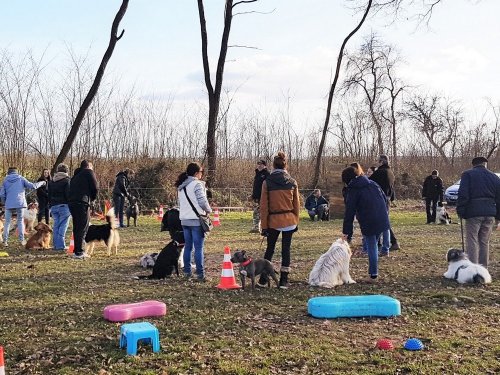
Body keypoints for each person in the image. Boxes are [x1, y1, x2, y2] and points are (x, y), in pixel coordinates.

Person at [258, 151, 300, 289]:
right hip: (289, 220)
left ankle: (264, 279)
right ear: (285, 166)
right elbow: (296, 205)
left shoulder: (267, 182)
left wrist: (264, 226)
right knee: (286, 250)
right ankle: (283, 280)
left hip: (273, 221)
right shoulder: (292, 182)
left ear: (273, 166)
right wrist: (296, 221)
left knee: (270, 249)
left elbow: (264, 207)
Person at [342, 166, 390, 280]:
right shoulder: (372, 183)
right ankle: (373, 272)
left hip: (368, 220)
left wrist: (346, 233)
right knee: (374, 244)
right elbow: (384, 198)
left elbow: (349, 213)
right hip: (382, 216)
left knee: (372, 247)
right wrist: (385, 213)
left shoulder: (353, 190)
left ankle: (373, 275)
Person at [456, 156, 500, 268]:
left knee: (472, 240)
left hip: (473, 212)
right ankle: (483, 268)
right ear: (485, 164)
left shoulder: (468, 174)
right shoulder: (495, 177)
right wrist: (498, 216)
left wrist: (461, 210)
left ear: (473, 164)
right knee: (484, 241)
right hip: (490, 212)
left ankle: (472, 268)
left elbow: (463, 194)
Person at [175, 162, 212, 281]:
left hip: (184, 219)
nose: (202, 174)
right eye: (201, 172)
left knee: (188, 247)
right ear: (196, 173)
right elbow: (202, 201)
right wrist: (209, 210)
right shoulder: (197, 184)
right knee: (199, 248)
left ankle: (187, 272)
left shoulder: (181, 186)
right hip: (196, 219)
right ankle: (200, 274)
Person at [0, 167, 46, 247]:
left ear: (8, 172)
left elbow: (1, 194)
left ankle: (5, 241)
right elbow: (33, 186)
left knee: (7, 223)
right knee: (20, 221)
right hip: (20, 203)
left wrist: (4, 202)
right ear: (17, 172)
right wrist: (42, 182)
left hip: (9, 204)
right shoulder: (21, 178)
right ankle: (22, 240)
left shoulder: (5, 180)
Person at [68, 160, 98, 260]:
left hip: (72, 203)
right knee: (83, 227)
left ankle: (76, 249)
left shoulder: (75, 176)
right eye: (92, 167)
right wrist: (92, 198)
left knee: (77, 227)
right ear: (88, 166)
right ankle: (79, 252)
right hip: (82, 203)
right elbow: (95, 187)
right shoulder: (88, 172)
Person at [369, 154, 400, 250]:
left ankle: (387, 243)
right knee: (384, 222)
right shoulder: (390, 172)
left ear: (381, 162)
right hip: (387, 199)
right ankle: (388, 243)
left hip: (380, 199)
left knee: (381, 223)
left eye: (378, 161)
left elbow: (369, 182)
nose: (377, 163)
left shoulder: (380, 172)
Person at [48, 163, 71, 251]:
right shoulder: (67, 181)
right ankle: (61, 245)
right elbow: (68, 194)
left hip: (54, 206)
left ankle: (56, 245)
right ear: (66, 171)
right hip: (64, 206)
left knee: (56, 225)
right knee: (63, 226)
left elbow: (49, 195)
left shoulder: (51, 181)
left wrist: (50, 205)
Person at [250, 159, 270, 233]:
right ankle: (256, 227)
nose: (259, 165)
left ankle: (261, 227)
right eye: (258, 164)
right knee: (256, 212)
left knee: (261, 212)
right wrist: (253, 195)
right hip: (256, 197)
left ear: (264, 165)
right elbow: (256, 186)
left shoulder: (267, 174)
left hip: (263, 197)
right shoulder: (257, 173)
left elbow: (267, 186)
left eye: (261, 164)